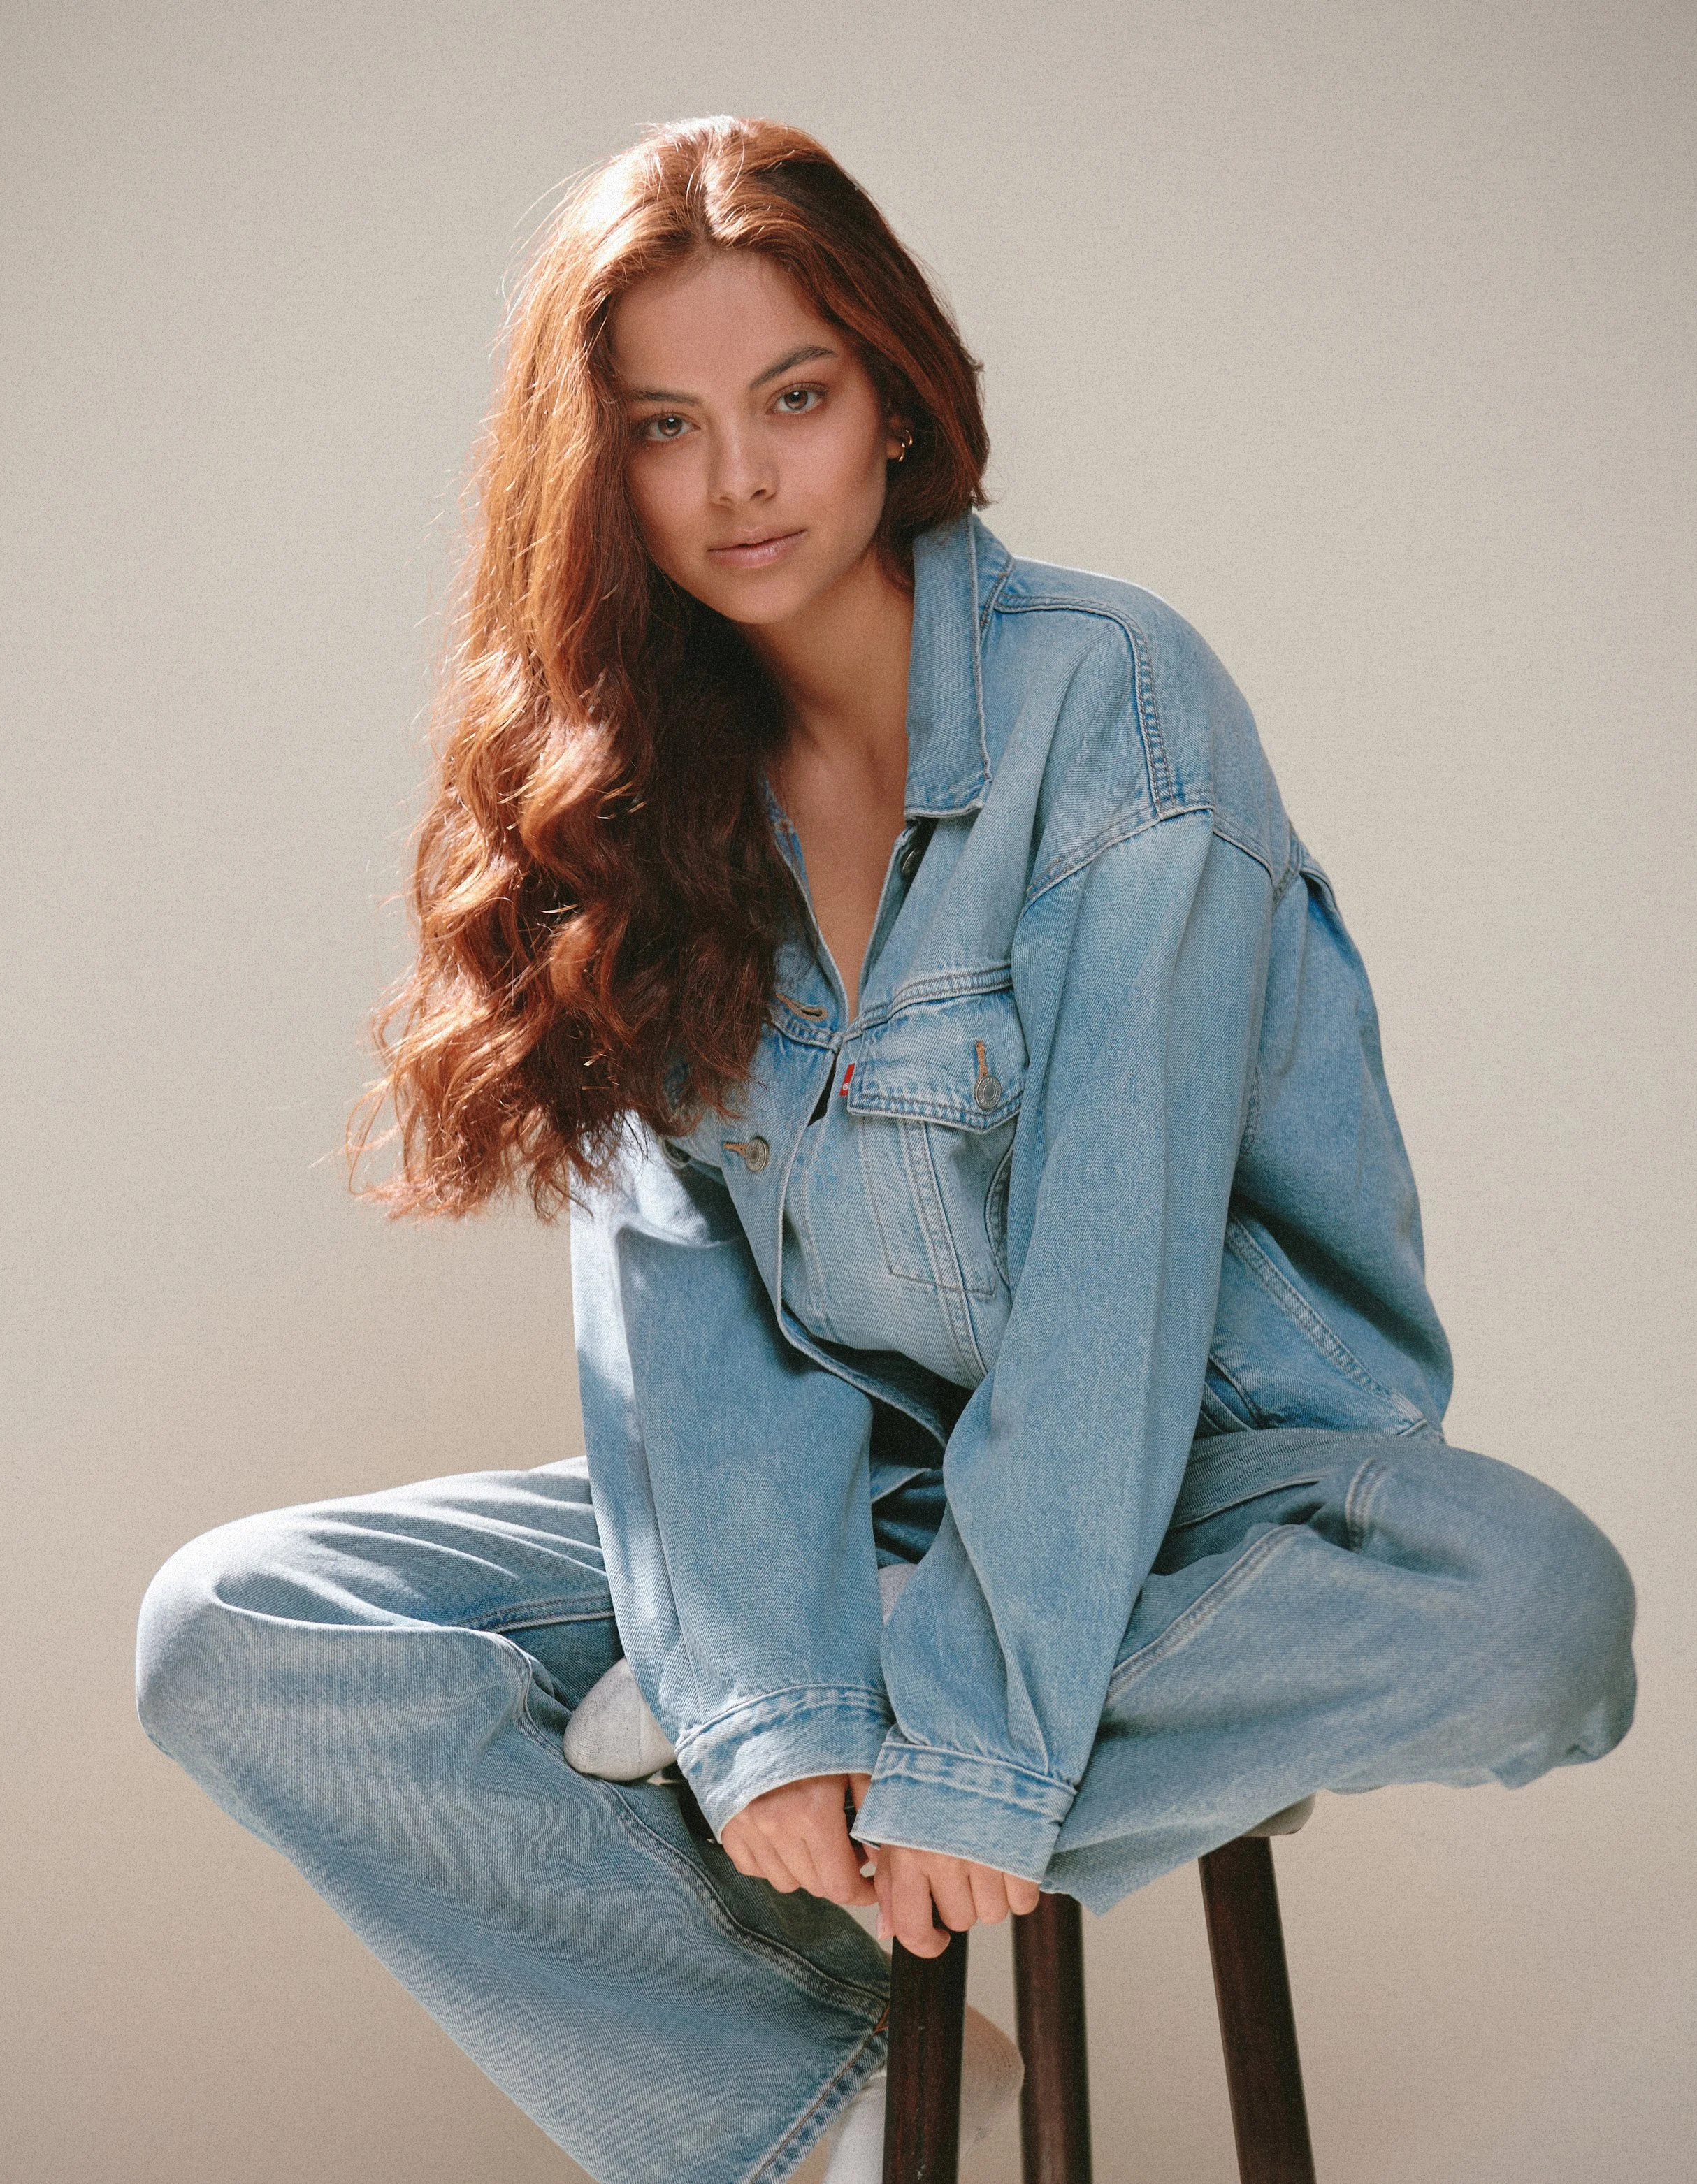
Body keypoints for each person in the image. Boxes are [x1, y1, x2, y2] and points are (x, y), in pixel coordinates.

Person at [134, 114, 1637, 2184]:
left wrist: (955, 1739)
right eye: (664, 426)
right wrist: (760, 1668)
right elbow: (681, 1327)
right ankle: (818, 2087)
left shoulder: (1111, 707)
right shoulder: (625, 796)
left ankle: (803, 1775)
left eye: (794, 398)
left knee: (1528, 1602)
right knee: (239, 1630)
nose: (740, 480)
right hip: (830, 1503)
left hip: (1205, 1503)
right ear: (599, 472)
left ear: (897, 399)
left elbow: (1119, 1275)